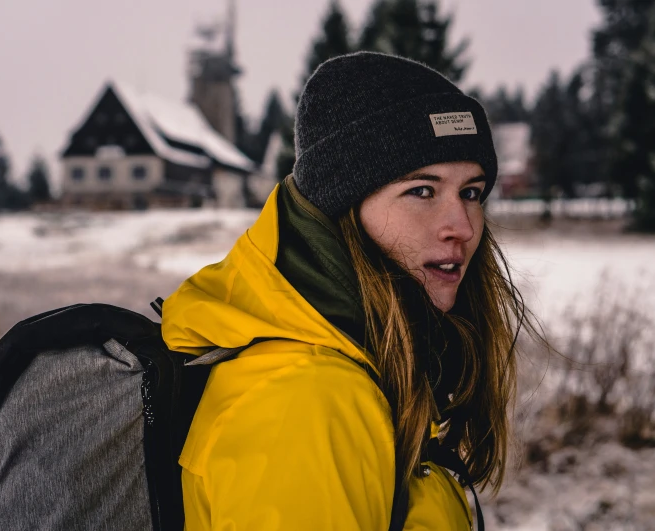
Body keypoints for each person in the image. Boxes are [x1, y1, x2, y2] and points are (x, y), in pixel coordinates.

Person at [162, 52, 531, 530]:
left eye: (471, 192)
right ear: (344, 207)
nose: (461, 225)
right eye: (422, 190)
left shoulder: (370, 368)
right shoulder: (306, 404)